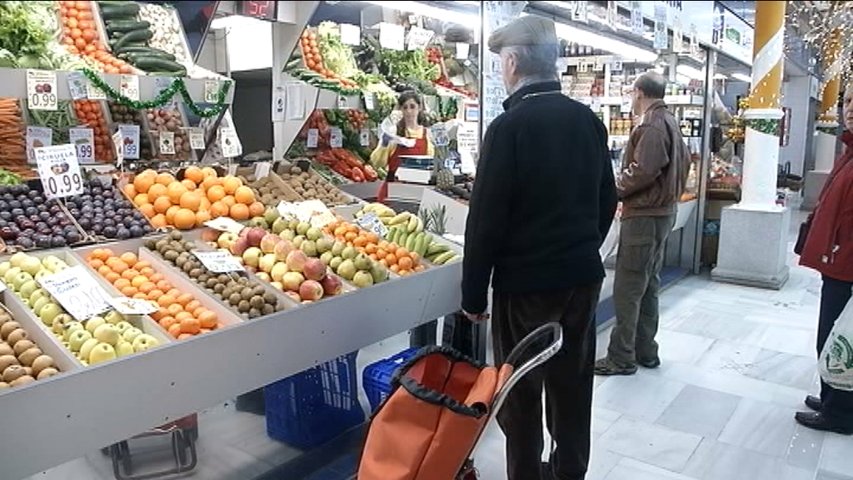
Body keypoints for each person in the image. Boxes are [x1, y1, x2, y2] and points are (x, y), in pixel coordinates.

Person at [462, 16, 617, 480]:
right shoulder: (588, 121)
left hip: (526, 289)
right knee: (572, 386)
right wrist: (578, 246)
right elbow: (607, 199)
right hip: (581, 281)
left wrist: (473, 295)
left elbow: (485, 220)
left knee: (520, 394)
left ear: (511, 62)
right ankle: (569, 472)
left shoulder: (509, 128)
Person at [594, 72, 689, 376]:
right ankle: (646, 350)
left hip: (645, 216)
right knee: (649, 284)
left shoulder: (650, 124)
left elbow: (645, 169)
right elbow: (680, 164)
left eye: (630, 94)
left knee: (628, 286)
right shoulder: (670, 121)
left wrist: (613, 189)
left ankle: (621, 356)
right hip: (663, 213)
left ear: (638, 92)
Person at [796, 87, 853, 435]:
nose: (851, 109)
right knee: (830, 335)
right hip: (837, 261)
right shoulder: (848, 150)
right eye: (848, 102)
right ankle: (830, 395)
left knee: (841, 339)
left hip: (848, 265)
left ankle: (841, 413)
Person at [370, 91, 435, 203]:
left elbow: (430, 164)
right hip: (392, 191)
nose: (409, 111)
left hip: (417, 191)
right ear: (400, 110)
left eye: (412, 107)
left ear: (419, 108)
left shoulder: (427, 135)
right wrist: (384, 144)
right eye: (405, 107)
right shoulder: (393, 133)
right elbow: (377, 163)